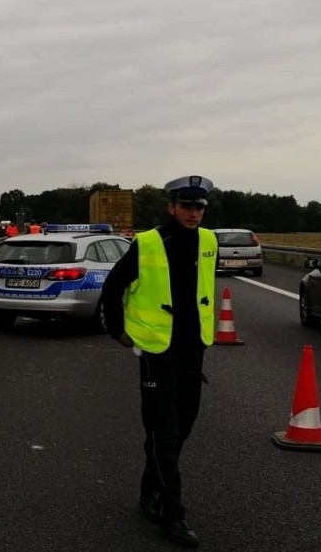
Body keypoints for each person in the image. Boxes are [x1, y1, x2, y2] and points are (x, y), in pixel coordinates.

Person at [101, 175, 218, 549]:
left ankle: (148, 492)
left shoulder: (209, 241)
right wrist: (117, 331)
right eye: (187, 206)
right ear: (172, 207)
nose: (193, 213)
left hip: (192, 352)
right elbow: (113, 286)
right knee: (164, 435)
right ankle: (173, 512)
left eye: (199, 207)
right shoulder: (149, 242)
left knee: (180, 430)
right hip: (157, 353)